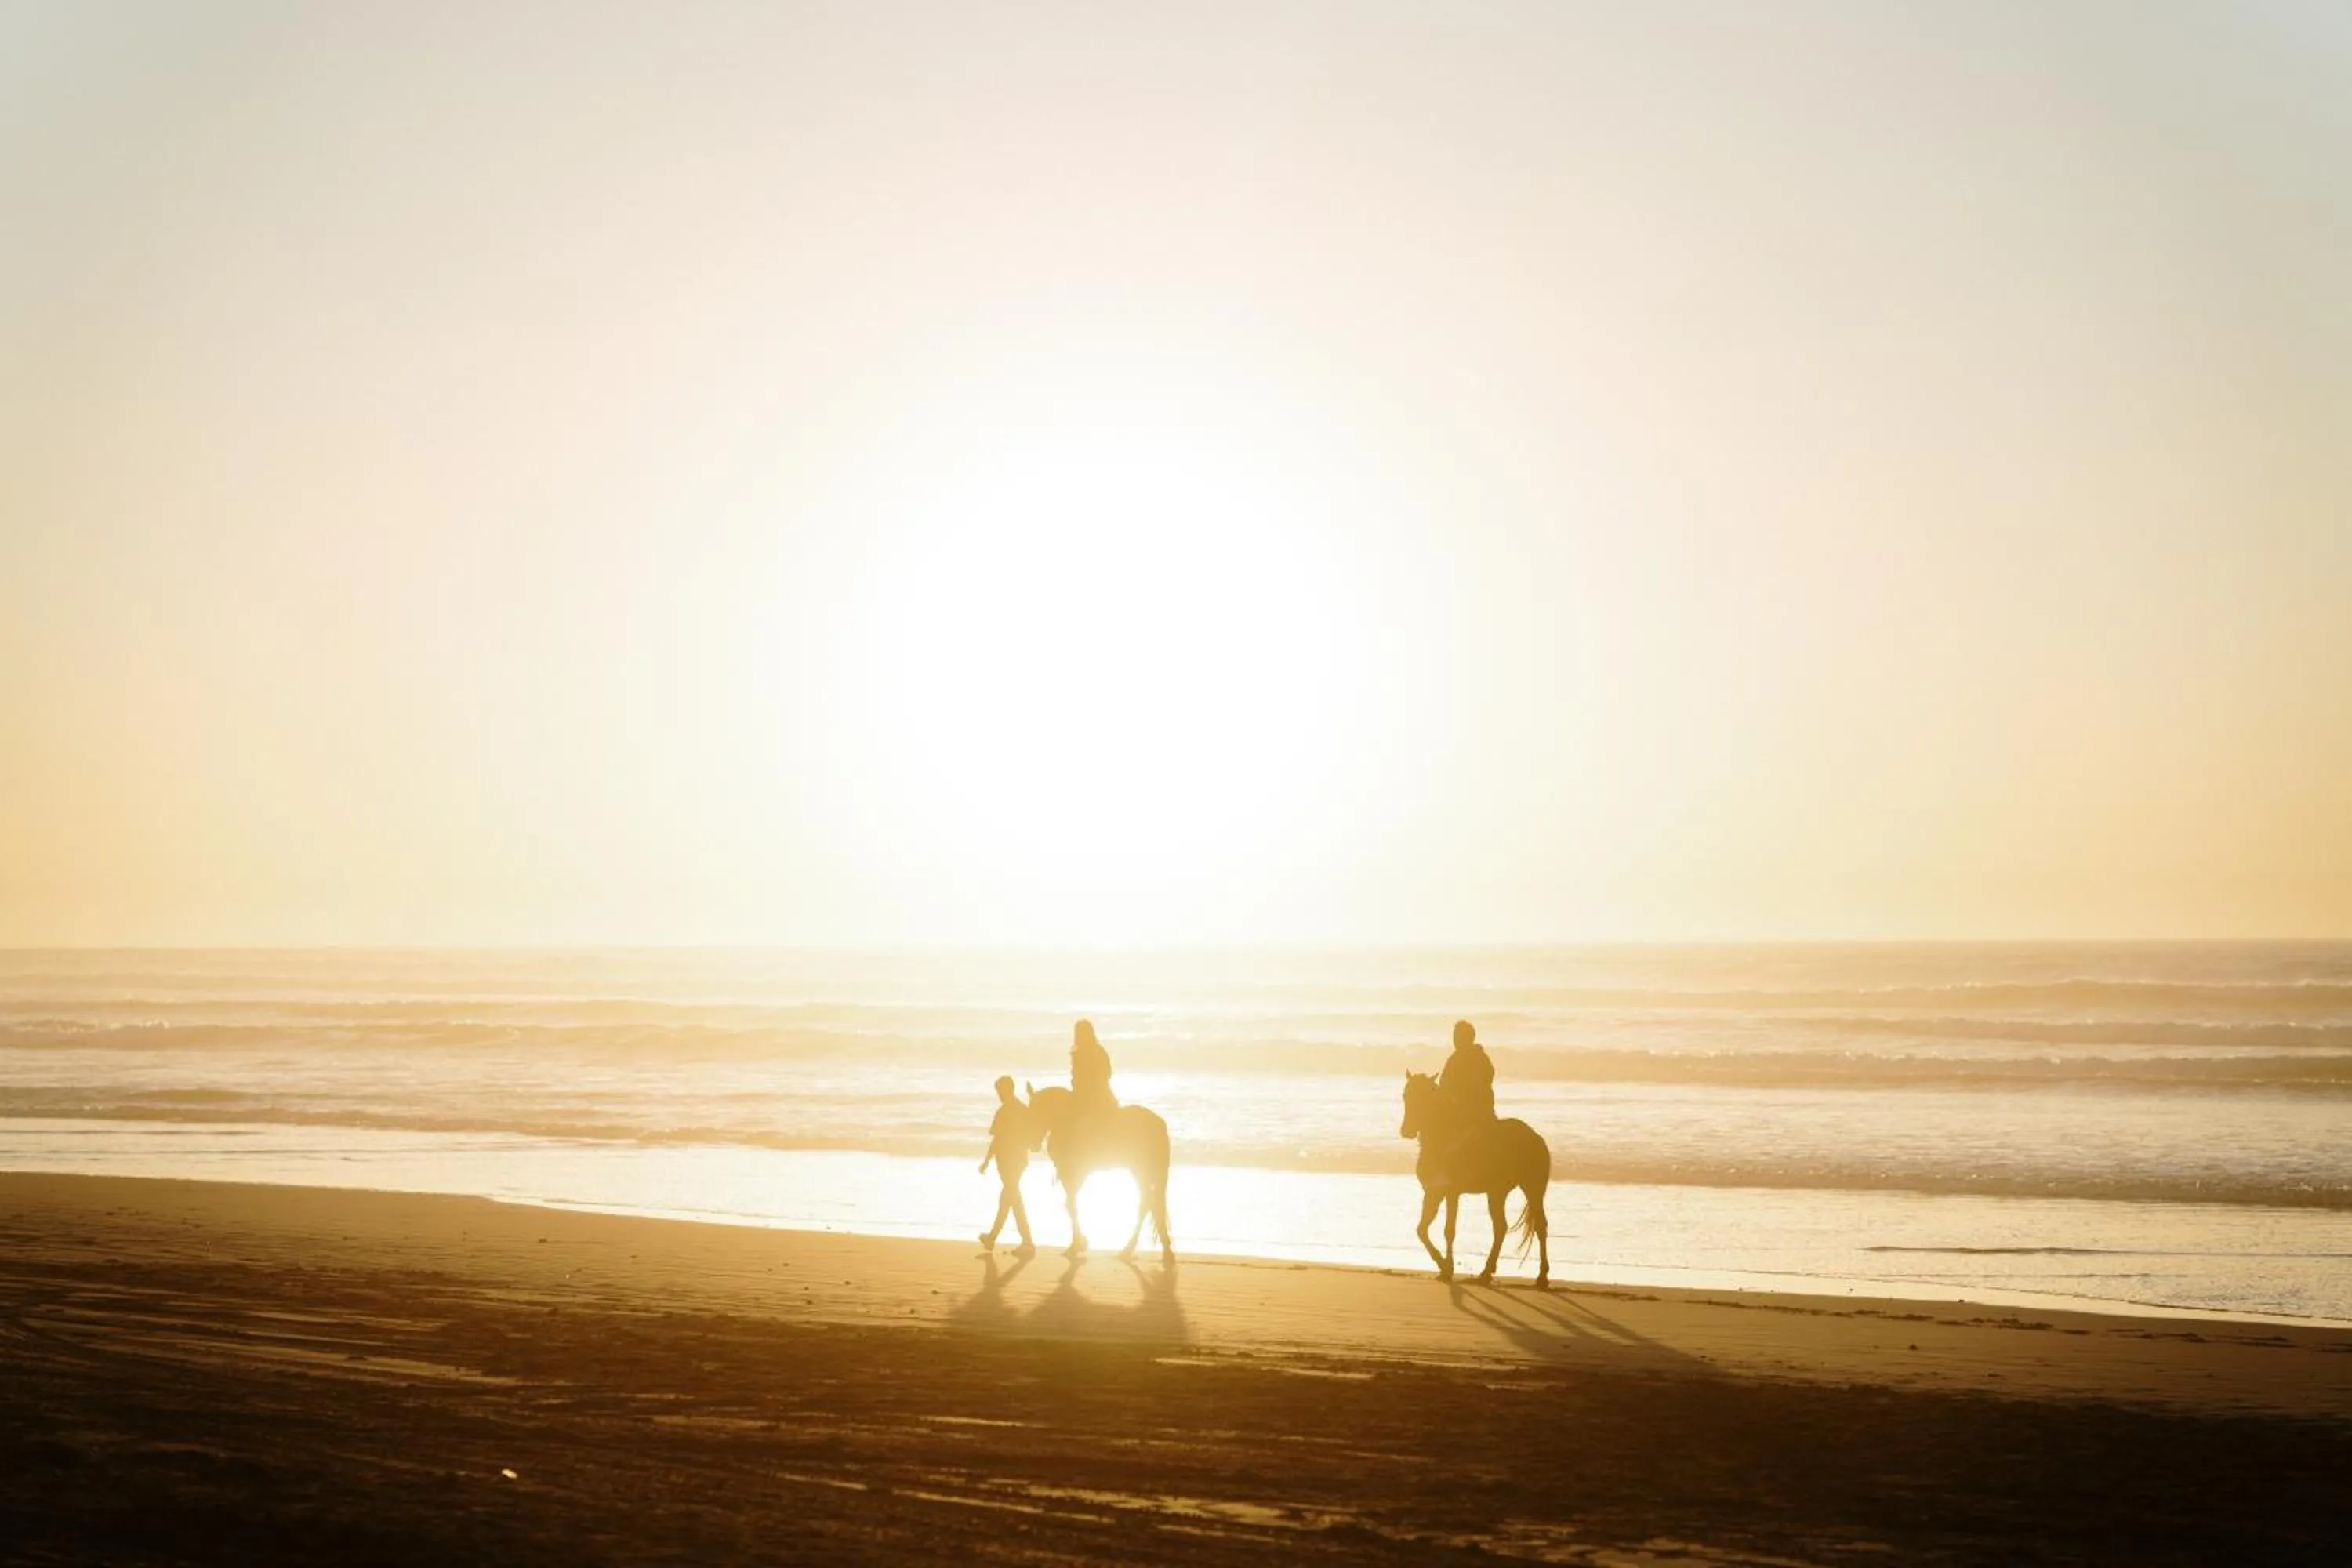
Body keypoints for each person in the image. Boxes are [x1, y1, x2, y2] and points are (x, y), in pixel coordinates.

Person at [978, 1075, 1036, 1254]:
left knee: (1012, 1198)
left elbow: (998, 1139)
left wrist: (987, 1161)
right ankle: (993, 1238)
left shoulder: (1006, 1112)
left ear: (1007, 1090)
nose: (999, 1095)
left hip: (1010, 1162)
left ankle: (1027, 1241)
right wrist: (988, 1162)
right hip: (1014, 1162)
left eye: (1000, 1091)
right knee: (1009, 1198)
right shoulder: (1022, 1110)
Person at [1439, 1018, 1497, 1123]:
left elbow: (1446, 1083)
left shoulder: (1460, 1058)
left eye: (1457, 1037)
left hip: (1468, 1110)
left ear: (1467, 1038)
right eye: (1454, 1037)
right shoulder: (1481, 1056)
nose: (1454, 1040)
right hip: (1483, 1109)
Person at [1069, 1018, 1117, 1118]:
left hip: (1099, 1097)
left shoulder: (1097, 1051)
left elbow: (1106, 1073)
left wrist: (1089, 1089)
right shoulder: (1077, 1053)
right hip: (1080, 1096)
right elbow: (1075, 1076)